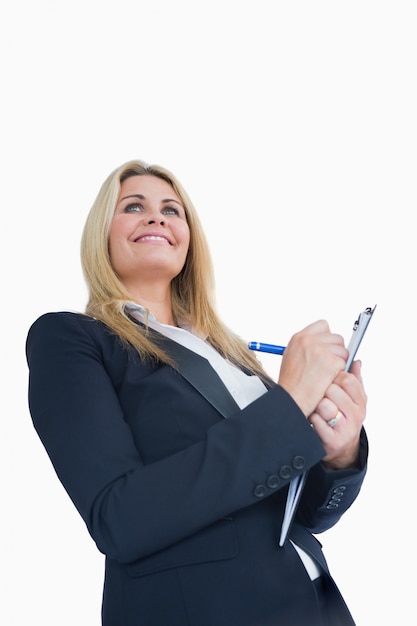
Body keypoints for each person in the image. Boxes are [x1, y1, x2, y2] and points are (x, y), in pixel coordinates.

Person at [26, 159, 368, 626]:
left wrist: (339, 453)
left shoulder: (231, 356)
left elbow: (298, 512)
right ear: (101, 234)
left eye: (172, 209)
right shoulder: (71, 338)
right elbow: (119, 519)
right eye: (133, 206)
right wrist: (288, 403)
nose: (157, 217)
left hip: (313, 607)